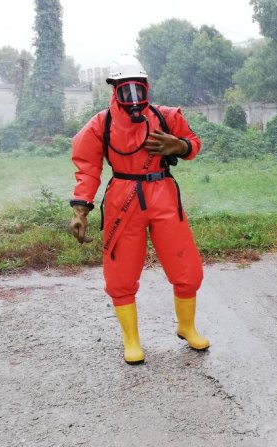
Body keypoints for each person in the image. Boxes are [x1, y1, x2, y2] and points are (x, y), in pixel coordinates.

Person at [68, 55, 208, 364]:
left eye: (139, 89)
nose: (133, 98)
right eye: (125, 90)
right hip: (122, 197)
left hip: (163, 194)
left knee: (184, 264)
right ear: (113, 91)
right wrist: (81, 209)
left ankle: (187, 327)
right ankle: (131, 340)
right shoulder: (100, 124)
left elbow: (193, 144)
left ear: (147, 88)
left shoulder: (167, 116)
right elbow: (87, 167)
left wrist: (179, 146)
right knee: (120, 271)